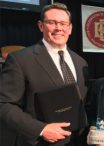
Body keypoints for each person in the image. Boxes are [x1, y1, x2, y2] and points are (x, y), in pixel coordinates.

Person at [0, 3, 88, 146]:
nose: (58, 28)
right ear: (41, 26)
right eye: (52, 23)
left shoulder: (81, 62)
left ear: (70, 28)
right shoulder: (20, 59)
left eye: (63, 23)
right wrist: (41, 129)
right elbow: (4, 104)